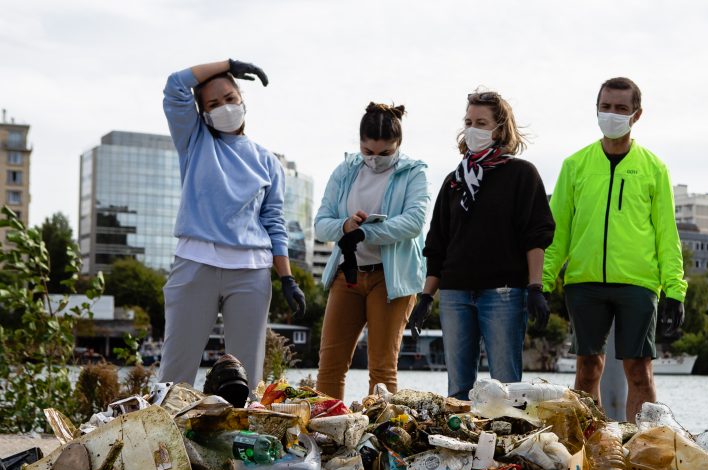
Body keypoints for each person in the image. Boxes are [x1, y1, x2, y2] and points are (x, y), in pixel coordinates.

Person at [543, 77, 686, 421]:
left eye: (621, 108)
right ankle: (591, 448)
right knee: (587, 368)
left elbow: (667, 234)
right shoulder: (575, 165)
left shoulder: (654, 168)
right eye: (606, 107)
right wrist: (543, 283)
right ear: (596, 109)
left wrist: (675, 290)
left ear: (636, 114)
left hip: (638, 284)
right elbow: (556, 231)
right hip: (584, 282)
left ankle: (644, 446)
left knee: (639, 371)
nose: (612, 114)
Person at [160, 59, 305, 394]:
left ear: (242, 99)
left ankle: (236, 443)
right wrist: (228, 63)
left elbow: (274, 222)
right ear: (202, 113)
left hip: (251, 273)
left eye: (229, 98)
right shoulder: (195, 141)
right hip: (196, 265)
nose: (223, 107)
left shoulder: (267, 161)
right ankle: (162, 442)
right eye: (212, 104)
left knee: (246, 381)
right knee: (175, 374)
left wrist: (287, 278)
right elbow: (174, 85)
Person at [413, 91, 554, 400]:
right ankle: (461, 447)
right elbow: (437, 243)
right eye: (468, 122)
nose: (472, 128)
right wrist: (425, 297)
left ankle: (504, 445)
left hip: (502, 293)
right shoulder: (454, 180)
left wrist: (535, 286)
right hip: (455, 294)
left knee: (505, 389)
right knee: (459, 390)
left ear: (499, 129)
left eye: (481, 122)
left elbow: (536, 233)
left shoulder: (521, 174)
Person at [314, 103, 429, 402]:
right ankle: (328, 436)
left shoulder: (414, 172)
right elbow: (321, 224)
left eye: (384, 154)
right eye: (368, 152)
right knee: (329, 367)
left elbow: (414, 222)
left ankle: (379, 441)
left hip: (392, 281)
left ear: (398, 146)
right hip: (348, 275)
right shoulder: (345, 170)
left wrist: (367, 232)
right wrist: (346, 225)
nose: (375, 160)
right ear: (360, 143)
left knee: (381, 371)